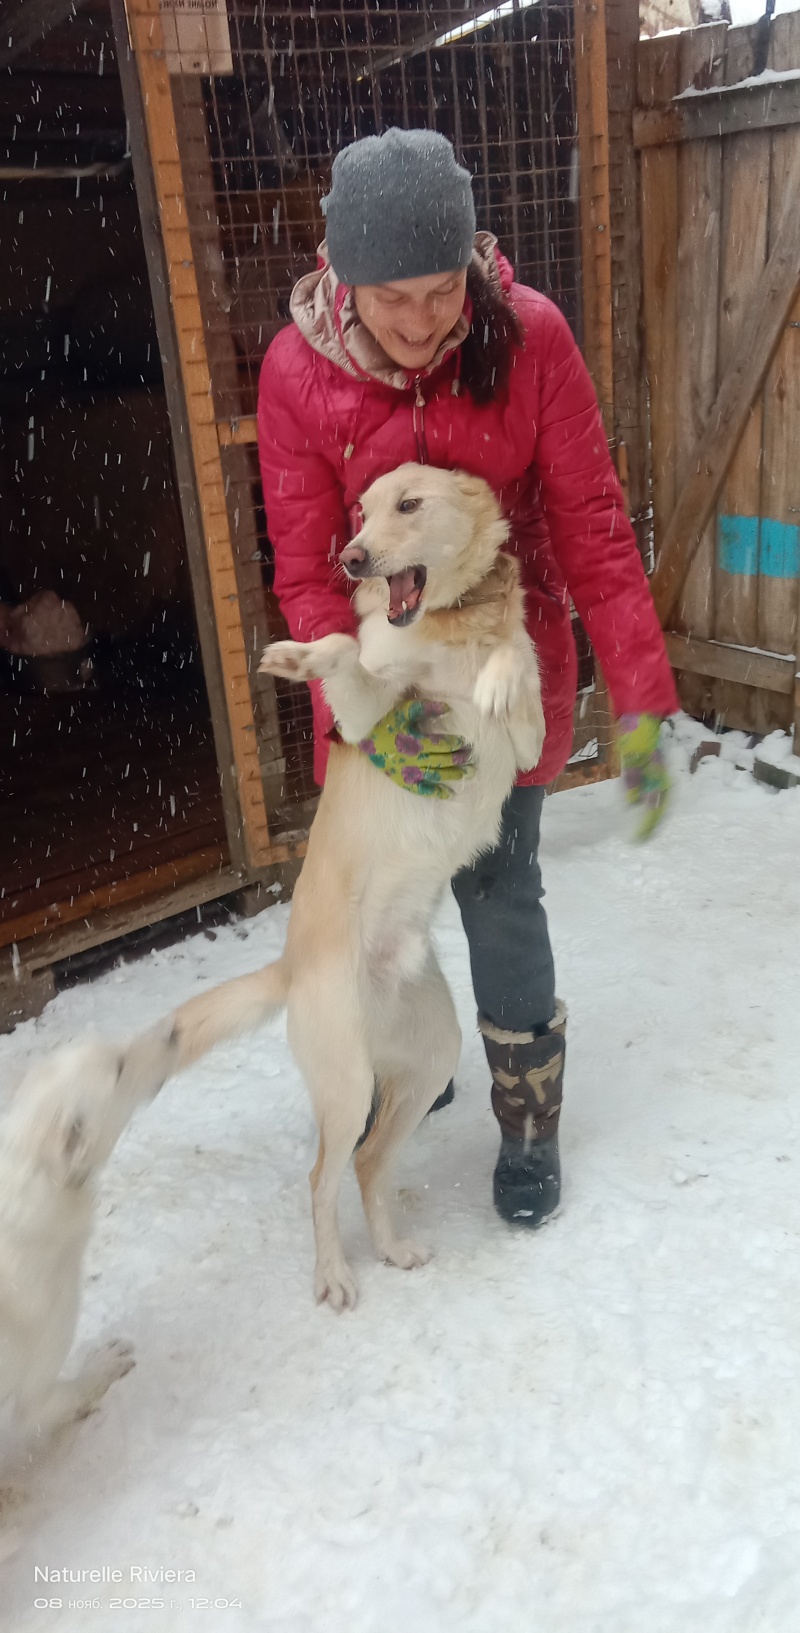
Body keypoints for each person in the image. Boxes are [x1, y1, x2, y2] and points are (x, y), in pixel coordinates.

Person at [257, 128, 677, 1227]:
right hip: (384, 687)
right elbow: (306, 572)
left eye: (443, 290)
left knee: (500, 896)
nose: (421, 322)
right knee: (383, 899)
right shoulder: (297, 371)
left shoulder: (528, 337)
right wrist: (363, 719)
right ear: (341, 275)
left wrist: (641, 701)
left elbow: (594, 528)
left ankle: (527, 1115)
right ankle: (411, 1059)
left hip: (500, 674)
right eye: (392, 298)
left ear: (471, 264)